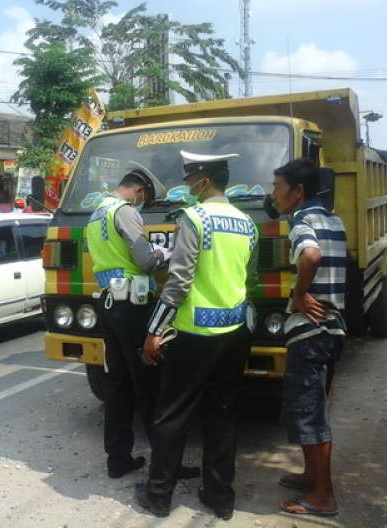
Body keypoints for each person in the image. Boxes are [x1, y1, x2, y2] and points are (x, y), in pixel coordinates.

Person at [136, 151, 257, 520]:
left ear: (204, 181)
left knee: (172, 414)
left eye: (190, 181)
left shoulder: (194, 217)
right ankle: (220, 496)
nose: (187, 187)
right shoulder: (246, 222)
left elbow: (179, 281)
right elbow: (248, 278)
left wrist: (154, 330)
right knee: (223, 413)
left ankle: (159, 496)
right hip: (234, 332)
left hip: (193, 333)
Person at [270, 158, 347, 518]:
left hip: (311, 331)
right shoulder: (334, 219)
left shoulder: (302, 221)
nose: (274, 195)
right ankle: (311, 476)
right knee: (314, 406)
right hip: (334, 328)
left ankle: (323, 496)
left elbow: (311, 256)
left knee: (309, 412)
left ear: (297, 191)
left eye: (278, 187)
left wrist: (299, 295)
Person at [85, 170, 167, 479]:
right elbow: (145, 261)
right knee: (149, 382)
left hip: (108, 302)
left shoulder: (96, 214)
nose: (143, 202)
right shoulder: (126, 211)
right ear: (138, 190)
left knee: (118, 385)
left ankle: (117, 459)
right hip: (134, 304)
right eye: (144, 196)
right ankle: (164, 463)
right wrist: (162, 254)